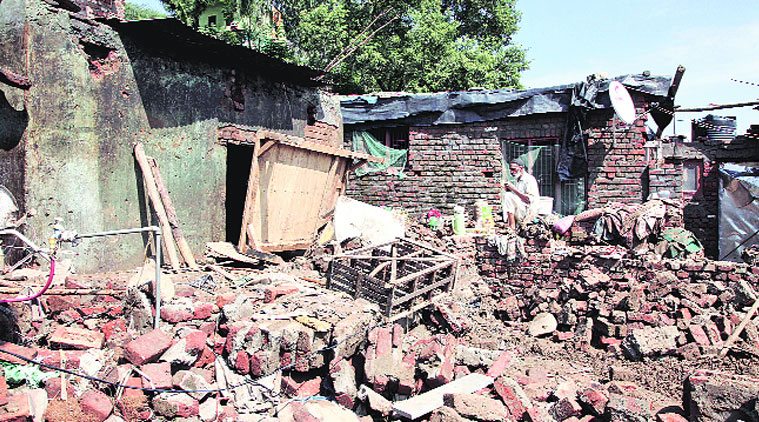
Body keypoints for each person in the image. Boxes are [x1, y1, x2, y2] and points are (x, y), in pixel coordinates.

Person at [501, 158, 540, 229]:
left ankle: (512, 226)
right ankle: (510, 223)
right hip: (520, 209)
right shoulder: (518, 180)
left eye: (513, 169)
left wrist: (513, 189)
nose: (511, 172)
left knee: (508, 196)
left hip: (528, 211)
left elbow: (528, 200)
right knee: (507, 196)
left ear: (521, 168)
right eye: (510, 170)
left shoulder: (529, 179)